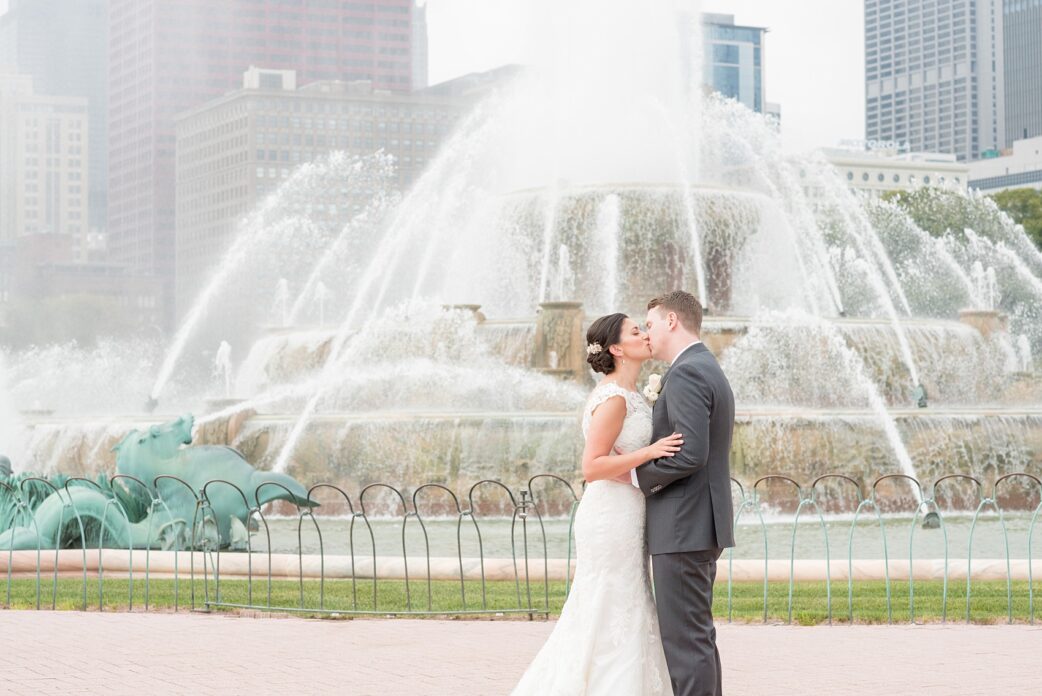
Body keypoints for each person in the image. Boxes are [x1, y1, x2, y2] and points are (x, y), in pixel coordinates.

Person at [512, 311, 679, 695]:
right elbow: (592, 466)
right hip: (610, 516)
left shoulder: (634, 394)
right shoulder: (615, 399)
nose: (645, 335)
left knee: (627, 601)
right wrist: (651, 451)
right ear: (618, 348)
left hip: (628, 509)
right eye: (636, 331)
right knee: (608, 602)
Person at [633, 290, 735, 696]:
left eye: (651, 324)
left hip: (682, 525)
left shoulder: (689, 372)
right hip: (695, 524)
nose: (647, 334)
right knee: (696, 640)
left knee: (686, 644)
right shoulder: (703, 365)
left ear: (673, 320)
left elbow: (691, 452)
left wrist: (640, 478)